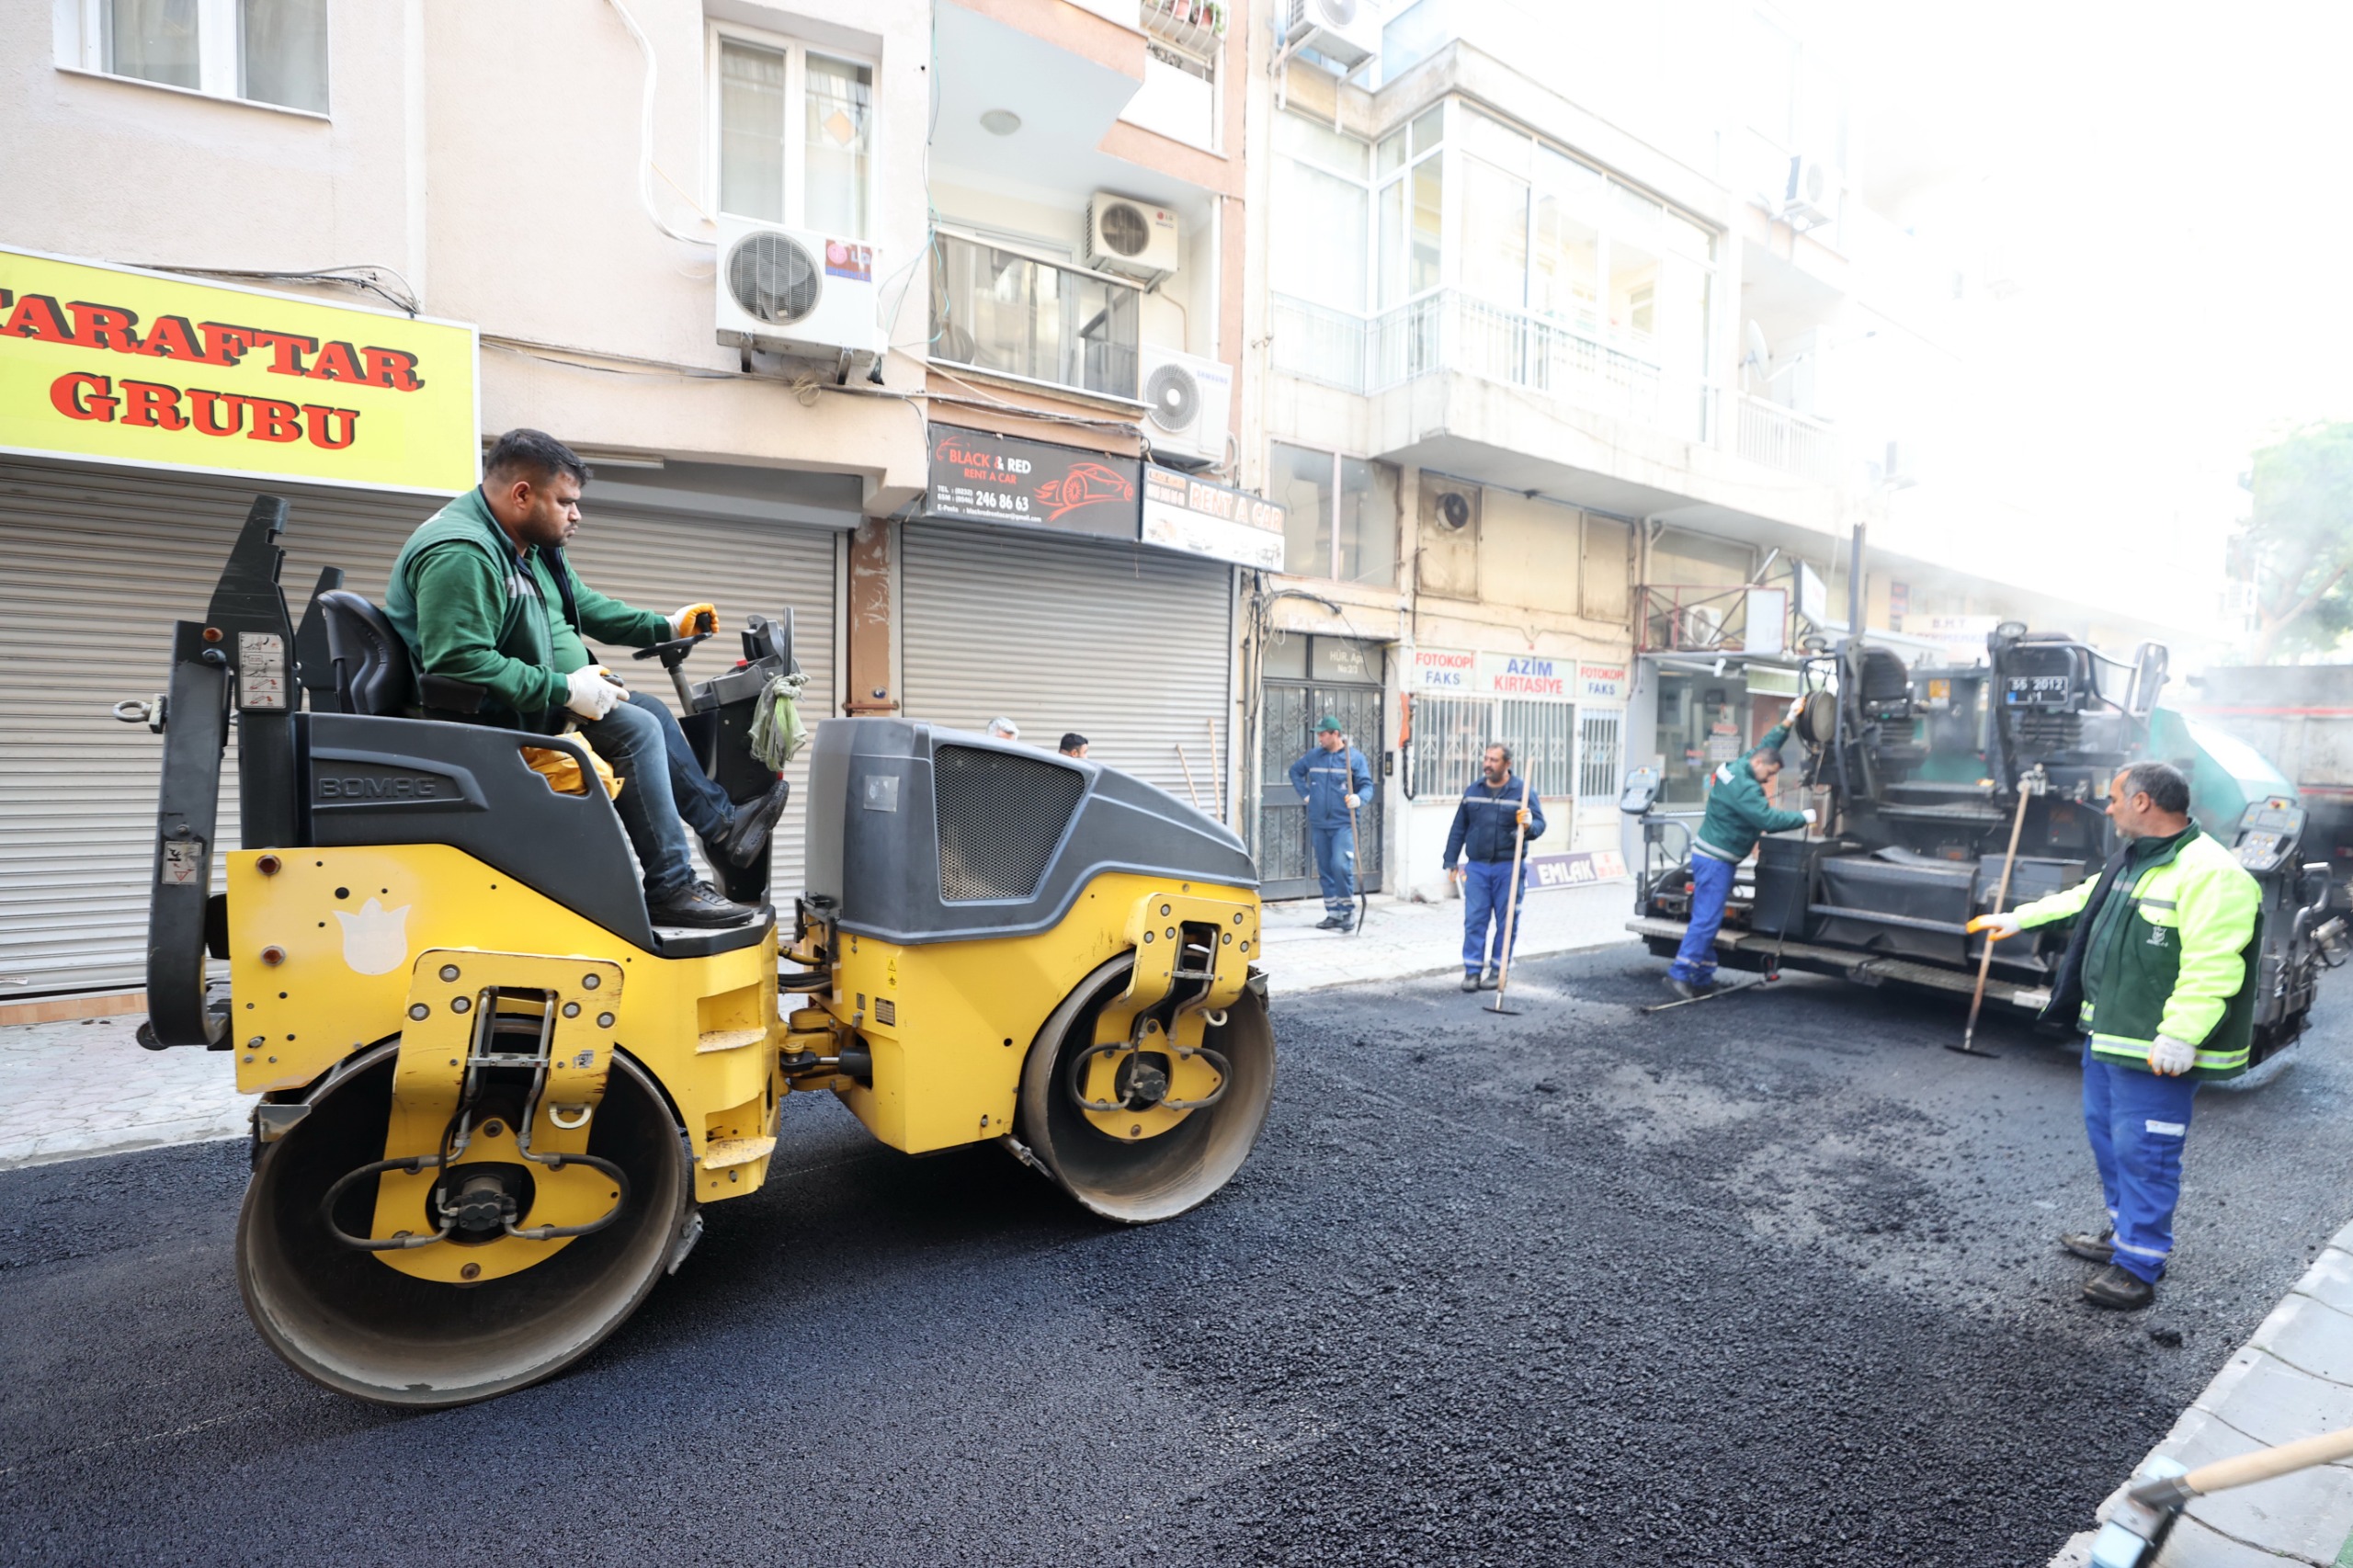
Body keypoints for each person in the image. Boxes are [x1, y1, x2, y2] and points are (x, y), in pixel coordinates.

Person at [384, 428, 790, 929]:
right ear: (522, 495)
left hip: (539, 698)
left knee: (651, 710)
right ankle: (671, 888)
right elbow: (459, 662)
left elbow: (584, 606)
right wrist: (566, 690)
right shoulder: (462, 554)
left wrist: (662, 625)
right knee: (637, 729)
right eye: (566, 502)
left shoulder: (528, 543)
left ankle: (724, 828)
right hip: (486, 719)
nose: (576, 514)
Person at [1970, 761, 2260, 1312]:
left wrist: (2180, 1034)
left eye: (2114, 798)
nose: (2108, 808)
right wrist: (2019, 919)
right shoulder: (2135, 861)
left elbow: (2215, 965)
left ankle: (2140, 1265)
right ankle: (2123, 1236)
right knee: (2111, 1140)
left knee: (2147, 1150)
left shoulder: (2211, 873)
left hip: (2155, 1047)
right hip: (2112, 1034)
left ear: (2144, 802)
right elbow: (2086, 898)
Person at [1665, 701, 1816, 999]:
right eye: (1769, 774)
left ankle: (1702, 974)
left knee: (1711, 917)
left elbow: (1767, 745)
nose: (1768, 780)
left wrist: (1789, 720)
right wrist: (1804, 817)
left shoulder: (1743, 764)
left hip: (1714, 857)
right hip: (1716, 861)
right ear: (1758, 765)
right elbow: (1768, 820)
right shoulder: (1744, 788)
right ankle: (1679, 975)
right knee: (1706, 919)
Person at [1442, 743, 1546, 991]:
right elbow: (1459, 827)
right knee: (1474, 919)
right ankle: (1472, 971)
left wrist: (1529, 824)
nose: (1487, 764)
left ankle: (1498, 970)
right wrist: (1450, 860)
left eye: (1494, 760)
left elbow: (1541, 825)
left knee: (1507, 920)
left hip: (1508, 867)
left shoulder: (1522, 791)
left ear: (1507, 764)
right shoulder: (1473, 790)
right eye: (1486, 759)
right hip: (1477, 867)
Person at [1288, 716, 1374, 931]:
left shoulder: (1353, 758)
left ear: (1335, 734)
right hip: (1319, 822)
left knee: (1340, 865)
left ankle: (1347, 912)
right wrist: (1306, 794)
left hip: (1344, 823)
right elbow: (1295, 772)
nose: (1319, 738)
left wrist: (1359, 799)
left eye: (1322, 734)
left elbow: (1367, 786)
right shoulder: (1314, 757)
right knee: (1325, 868)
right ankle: (1333, 913)